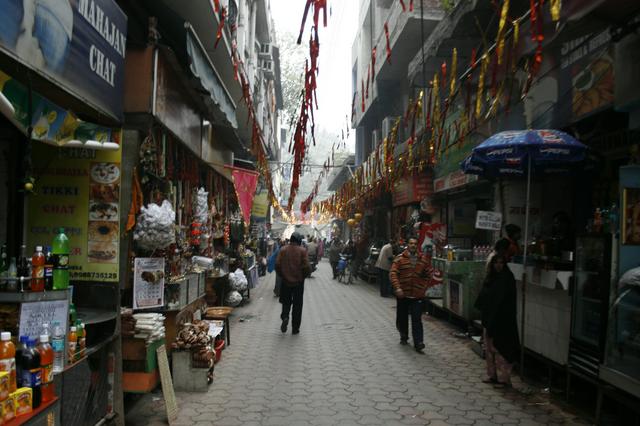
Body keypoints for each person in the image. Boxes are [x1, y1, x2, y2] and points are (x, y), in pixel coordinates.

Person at [474, 255, 520, 387]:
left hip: (502, 320)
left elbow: (505, 301)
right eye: (496, 262)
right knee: (489, 349)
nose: (498, 265)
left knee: (500, 349)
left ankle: (503, 379)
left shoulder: (507, 278)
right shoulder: (491, 278)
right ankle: (492, 376)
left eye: (501, 262)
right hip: (489, 318)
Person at [389, 237, 433, 353]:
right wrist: (397, 288)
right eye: (411, 243)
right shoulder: (399, 259)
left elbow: (429, 275)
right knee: (402, 318)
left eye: (415, 243)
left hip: (417, 296)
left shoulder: (423, 260)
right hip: (403, 295)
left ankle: (418, 342)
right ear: (407, 245)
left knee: (417, 319)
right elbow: (393, 273)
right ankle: (403, 336)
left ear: (417, 245)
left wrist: (422, 288)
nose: (413, 245)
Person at [275, 232, 311, 334]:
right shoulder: (302, 251)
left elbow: (277, 264)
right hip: (298, 282)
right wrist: (303, 276)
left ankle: (285, 317)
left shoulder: (283, 250)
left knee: (286, 302)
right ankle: (295, 328)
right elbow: (306, 266)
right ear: (299, 241)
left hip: (285, 281)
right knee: (297, 305)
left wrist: (282, 275)